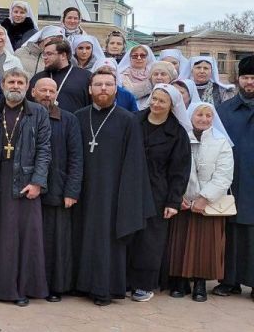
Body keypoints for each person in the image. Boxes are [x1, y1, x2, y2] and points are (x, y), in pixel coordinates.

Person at [72, 69, 153, 305]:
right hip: (84, 189)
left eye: (108, 84)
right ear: (90, 89)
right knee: (82, 236)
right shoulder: (78, 116)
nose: (103, 89)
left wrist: (126, 196)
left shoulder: (128, 119)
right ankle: (82, 284)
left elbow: (134, 161)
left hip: (113, 192)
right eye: (98, 85)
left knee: (107, 241)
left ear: (116, 89)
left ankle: (104, 288)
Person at [0, 68, 51, 306]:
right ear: (2, 84)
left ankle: (21, 289)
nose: (15, 86)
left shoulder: (38, 113)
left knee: (24, 239)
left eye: (19, 82)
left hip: (25, 183)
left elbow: (44, 150)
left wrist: (37, 182)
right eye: (10, 81)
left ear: (27, 86)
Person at [128, 85, 191, 301]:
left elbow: (180, 170)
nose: (155, 104)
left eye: (162, 101)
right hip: (129, 186)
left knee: (150, 240)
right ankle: (123, 280)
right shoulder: (133, 121)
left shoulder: (177, 133)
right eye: (154, 99)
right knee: (128, 234)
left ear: (171, 106)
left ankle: (144, 285)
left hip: (157, 191)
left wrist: (173, 201)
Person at [168, 102, 235, 301]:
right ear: (190, 115)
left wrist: (204, 198)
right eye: (199, 114)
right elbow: (172, 167)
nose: (204, 119)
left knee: (206, 246)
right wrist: (178, 196)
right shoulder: (180, 138)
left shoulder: (221, 142)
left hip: (207, 204)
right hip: (183, 201)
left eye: (208, 115)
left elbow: (224, 174)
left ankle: (200, 283)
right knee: (180, 243)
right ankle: (180, 281)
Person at [31, 77, 82, 302]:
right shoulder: (26, 116)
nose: (48, 95)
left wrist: (71, 191)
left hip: (57, 191)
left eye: (52, 91)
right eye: (43, 91)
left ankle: (54, 286)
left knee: (54, 244)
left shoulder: (68, 120)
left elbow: (76, 158)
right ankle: (30, 283)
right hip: (27, 191)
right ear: (33, 92)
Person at [215, 55, 254, 298]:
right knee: (230, 231)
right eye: (246, 77)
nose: (250, 82)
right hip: (232, 181)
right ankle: (229, 280)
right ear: (238, 79)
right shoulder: (224, 111)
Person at [29, 39, 92, 114]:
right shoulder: (38, 78)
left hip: (74, 124)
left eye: (49, 54)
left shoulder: (85, 77)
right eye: (44, 54)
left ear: (63, 55)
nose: (45, 57)